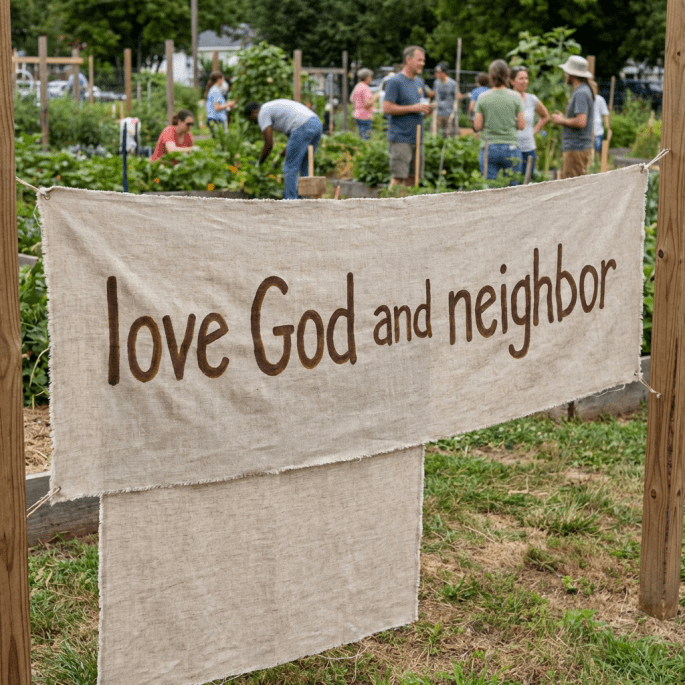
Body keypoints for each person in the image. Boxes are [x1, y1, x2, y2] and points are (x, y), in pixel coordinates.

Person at [244, 99, 323, 200]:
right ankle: (306, 198)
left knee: (290, 166)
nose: (253, 122)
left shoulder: (262, 112)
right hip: (315, 123)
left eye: (250, 119)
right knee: (305, 164)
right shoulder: (270, 107)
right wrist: (285, 151)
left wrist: (260, 162)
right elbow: (293, 137)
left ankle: (290, 200)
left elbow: (269, 144)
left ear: (254, 112)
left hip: (302, 125)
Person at [382, 46, 432, 186]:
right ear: (408, 60)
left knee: (413, 178)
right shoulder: (395, 81)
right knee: (398, 178)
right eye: (419, 60)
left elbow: (417, 110)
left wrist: (426, 111)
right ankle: (390, 205)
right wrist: (413, 108)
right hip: (400, 137)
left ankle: (408, 207)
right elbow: (386, 108)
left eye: (423, 60)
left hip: (417, 137)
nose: (422, 63)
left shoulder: (419, 82)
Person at [473, 59, 525, 182]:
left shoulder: (483, 97)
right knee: (514, 189)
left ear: (491, 76)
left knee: (488, 190)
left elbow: (477, 125)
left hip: (489, 146)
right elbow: (522, 125)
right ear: (507, 75)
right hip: (511, 146)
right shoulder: (516, 97)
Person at [551, 56, 595, 179]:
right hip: (576, 148)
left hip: (576, 148)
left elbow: (581, 122)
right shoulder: (582, 90)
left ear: (572, 74)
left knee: (572, 187)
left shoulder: (581, 92)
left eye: (566, 72)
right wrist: (565, 118)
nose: (565, 75)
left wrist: (562, 120)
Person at [509, 65, 550, 178]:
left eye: (526, 78)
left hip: (529, 148)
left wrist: (533, 132)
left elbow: (545, 116)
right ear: (512, 81)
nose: (524, 81)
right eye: (520, 78)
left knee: (527, 182)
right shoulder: (507, 99)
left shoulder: (531, 99)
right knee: (512, 182)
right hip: (511, 147)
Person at [432, 63, 460, 137]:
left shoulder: (452, 83)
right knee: (438, 135)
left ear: (444, 73)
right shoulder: (436, 83)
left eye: (438, 72)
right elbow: (435, 95)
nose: (436, 74)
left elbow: (457, 98)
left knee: (449, 135)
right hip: (438, 113)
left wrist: (455, 111)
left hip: (449, 113)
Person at [351, 68, 377, 140]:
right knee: (365, 138)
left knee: (361, 136)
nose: (371, 79)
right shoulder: (365, 88)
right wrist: (375, 97)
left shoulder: (358, 86)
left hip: (357, 114)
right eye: (370, 77)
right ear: (367, 78)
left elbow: (352, 98)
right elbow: (366, 103)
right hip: (364, 116)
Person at [590, 79, 611, 152]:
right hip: (588, 131)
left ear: (597, 89)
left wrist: (608, 128)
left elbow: (605, 114)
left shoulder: (600, 100)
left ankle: (597, 162)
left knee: (597, 150)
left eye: (594, 88)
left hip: (598, 130)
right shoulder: (585, 99)